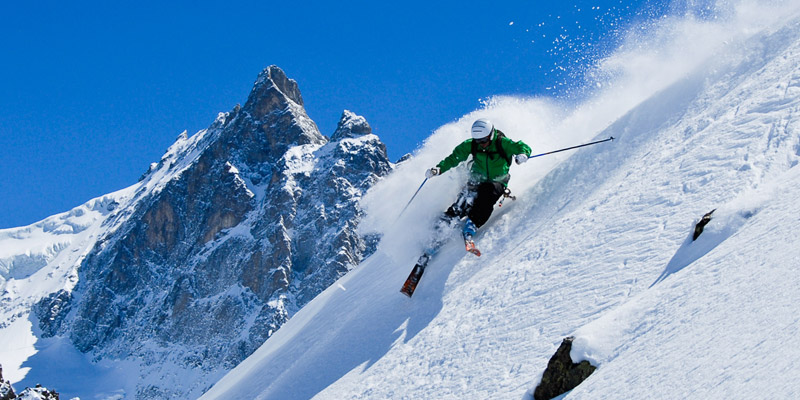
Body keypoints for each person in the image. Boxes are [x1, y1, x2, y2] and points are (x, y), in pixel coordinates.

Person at [425, 118, 531, 254]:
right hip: (476, 179)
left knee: (486, 198)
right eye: (478, 141)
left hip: (497, 181)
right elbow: (454, 158)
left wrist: (523, 155)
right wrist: (438, 169)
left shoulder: (502, 143)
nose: (482, 144)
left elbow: (521, 146)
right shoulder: (472, 144)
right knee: (459, 206)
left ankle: (472, 224)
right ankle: (436, 234)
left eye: (484, 140)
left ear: (491, 135)